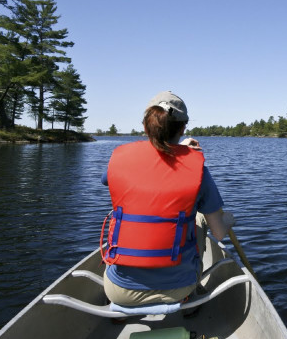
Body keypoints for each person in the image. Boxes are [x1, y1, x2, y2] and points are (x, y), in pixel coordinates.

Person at [100, 91, 235, 307]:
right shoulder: (199, 170)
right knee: (199, 218)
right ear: (182, 128)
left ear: (147, 126)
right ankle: (190, 297)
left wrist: (178, 150)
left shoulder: (119, 158)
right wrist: (229, 220)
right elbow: (219, 233)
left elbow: (108, 179)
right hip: (179, 288)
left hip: (119, 291)